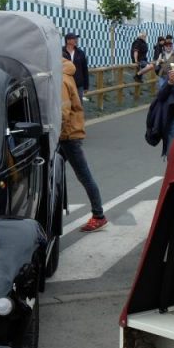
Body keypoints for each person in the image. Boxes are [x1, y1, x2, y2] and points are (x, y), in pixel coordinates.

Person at [60, 58, 107, 232]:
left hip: (67, 135)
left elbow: (62, 111)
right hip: (67, 134)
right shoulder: (65, 73)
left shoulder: (61, 79)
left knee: (83, 175)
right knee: (52, 173)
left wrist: (52, 132)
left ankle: (99, 215)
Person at [62, 32, 89, 102]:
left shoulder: (81, 53)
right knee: (66, 104)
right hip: (65, 84)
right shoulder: (60, 52)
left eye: (76, 38)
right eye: (74, 38)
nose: (76, 40)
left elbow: (85, 69)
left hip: (78, 84)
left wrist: (86, 86)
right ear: (68, 41)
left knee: (78, 104)